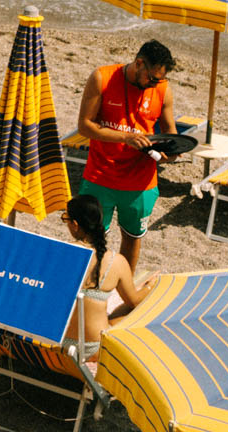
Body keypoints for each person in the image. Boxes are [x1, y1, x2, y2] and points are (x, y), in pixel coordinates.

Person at [74, 39, 177, 270]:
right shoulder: (102, 78)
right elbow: (84, 126)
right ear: (139, 63)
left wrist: (171, 152)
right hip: (100, 176)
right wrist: (125, 138)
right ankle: (87, 287)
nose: (154, 85)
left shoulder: (162, 89)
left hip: (140, 182)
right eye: (151, 78)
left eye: (159, 80)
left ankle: (124, 285)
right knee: (90, 238)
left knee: (132, 238)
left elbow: (171, 134)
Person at [61, 193, 157, 360]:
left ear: (75, 225)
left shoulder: (60, 253)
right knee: (132, 311)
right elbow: (134, 301)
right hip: (92, 349)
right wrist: (151, 286)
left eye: (65, 219)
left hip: (57, 343)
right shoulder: (116, 261)